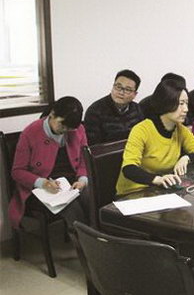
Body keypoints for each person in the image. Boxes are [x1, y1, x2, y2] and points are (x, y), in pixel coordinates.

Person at [116, 80, 194, 196]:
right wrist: (158, 179)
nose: (186, 109)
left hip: (160, 190)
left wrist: (187, 158)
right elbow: (129, 168)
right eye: (181, 104)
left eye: (186, 103)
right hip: (133, 193)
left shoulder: (180, 130)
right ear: (166, 103)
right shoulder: (142, 130)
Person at [9, 96, 89, 230]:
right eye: (62, 124)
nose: (65, 130)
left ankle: (96, 238)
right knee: (71, 207)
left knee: (91, 198)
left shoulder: (78, 129)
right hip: (39, 188)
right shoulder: (30, 132)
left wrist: (82, 179)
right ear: (52, 114)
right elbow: (17, 172)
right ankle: (83, 240)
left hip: (70, 182)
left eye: (69, 128)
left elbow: (83, 159)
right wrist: (43, 183)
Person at [83, 69, 143, 145]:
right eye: (118, 87)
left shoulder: (137, 109)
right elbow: (94, 147)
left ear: (134, 94)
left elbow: (142, 137)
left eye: (127, 90)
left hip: (134, 150)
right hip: (107, 152)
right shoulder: (95, 111)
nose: (121, 92)